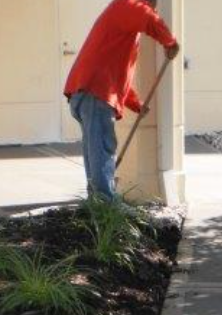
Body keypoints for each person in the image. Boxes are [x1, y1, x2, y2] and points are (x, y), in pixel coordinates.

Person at [64, 0, 180, 203]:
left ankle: (97, 204)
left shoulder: (122, 22)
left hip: (87, 92)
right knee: (102, 149)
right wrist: (170, 42)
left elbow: (119, 74)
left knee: (95, 152)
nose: (156, 8)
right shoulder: (128, 5)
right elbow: (148, 17)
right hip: (94, 93)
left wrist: (135, 104)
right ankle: (107, 206)